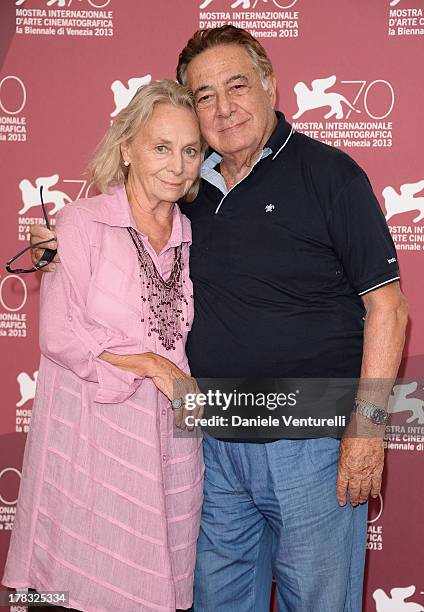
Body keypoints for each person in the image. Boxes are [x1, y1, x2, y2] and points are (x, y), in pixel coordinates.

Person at [28, 26, 408, 612]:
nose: (223, 107)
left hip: (311, 443)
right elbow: (124, 235)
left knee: (320, 602)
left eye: (237, 86)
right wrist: (65, 245)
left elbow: (388, 306)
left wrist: (369, 426)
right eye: (204, 95)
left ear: (270, 85)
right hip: (209, 445)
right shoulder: (187, 190)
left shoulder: (330, 175)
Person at [2, 80, 205, 612]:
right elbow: (59, 336)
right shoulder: (81, 223)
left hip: (166, 453)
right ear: (127, 148)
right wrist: (149, 364)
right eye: (161, 147)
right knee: (71, 591)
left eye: (190, 151)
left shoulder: (191, 233)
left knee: (154, 591)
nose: (178, 166)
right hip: (90, 451)